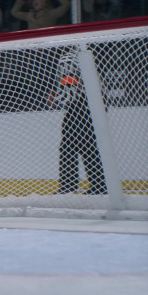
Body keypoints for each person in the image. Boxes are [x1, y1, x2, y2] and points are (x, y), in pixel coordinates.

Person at [47, 54, 107, 195]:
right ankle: (98, 184)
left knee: (71, 147)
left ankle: (70, 185)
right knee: (87, 146)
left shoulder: (68, 58)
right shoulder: (83, 52)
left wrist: (55, 98)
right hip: (91, 104)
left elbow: (71, 87)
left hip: (80, 106)